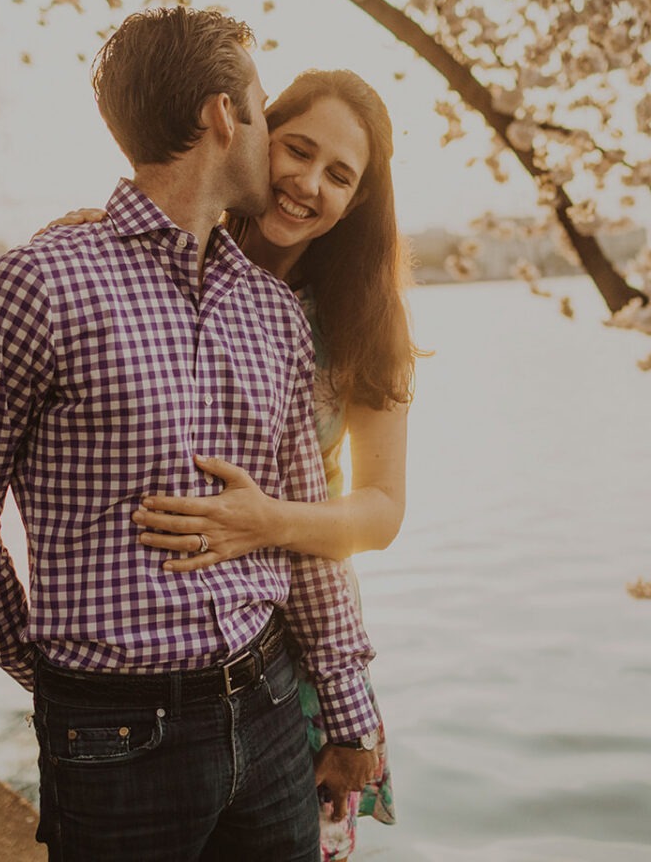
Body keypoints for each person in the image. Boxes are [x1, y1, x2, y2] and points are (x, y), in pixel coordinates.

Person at [0, 7, 381, 862]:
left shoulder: (273, 312)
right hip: (116, 740)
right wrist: (53, 670)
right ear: (223, 117)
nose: (275, 148)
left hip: (271, 707)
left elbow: (305, 535)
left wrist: (347, 711)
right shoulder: (35, 287)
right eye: (263, 112)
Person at [43, 66, 419, 862]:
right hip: (148, 657)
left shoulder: (362, 319)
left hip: (307, 636)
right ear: (252, 135)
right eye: (298, 150)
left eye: (339, 175)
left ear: (357, 201)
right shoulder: (143, 264)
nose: (307, 184)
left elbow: (383, 510)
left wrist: (267, 522)